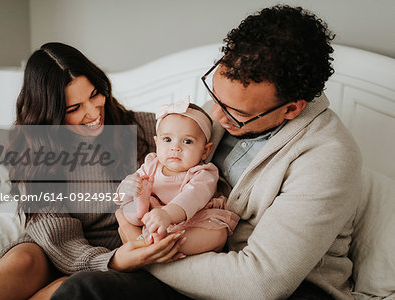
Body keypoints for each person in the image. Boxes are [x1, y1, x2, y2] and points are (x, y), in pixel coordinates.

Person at [51, 5, 362, 300]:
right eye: (215, 94)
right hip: (190, 263)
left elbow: (261, 282)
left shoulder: (327, 157)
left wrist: (142, 250)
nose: (216, 114)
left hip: (281, 291)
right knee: (82, 291)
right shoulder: (228, 105)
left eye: (234, 112)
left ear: (291, 109)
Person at [0, 42, 187, 300]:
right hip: (58, 246)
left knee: (69, 287)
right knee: (22, 260)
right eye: (75, 108)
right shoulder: (33, 147)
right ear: (50, 114)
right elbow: (53, 230)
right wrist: (110, 261)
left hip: (119, 248)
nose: (94, 112)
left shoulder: (146, 128)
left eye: (95, 94)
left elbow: (199, 138)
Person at [116, 97, 239, 254]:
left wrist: (167, 214)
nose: (175, 147)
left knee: (217, 234)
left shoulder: (203, 173)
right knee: (127, 210)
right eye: (167, 139)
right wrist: (127, 187)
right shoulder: (151, 164)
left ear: (205, 151)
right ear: (157, 142)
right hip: (152, 218)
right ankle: (142, 211)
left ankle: (164, 244)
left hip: (193, 220)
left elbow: (192, 197)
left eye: (187, 141)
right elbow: (122, 195)